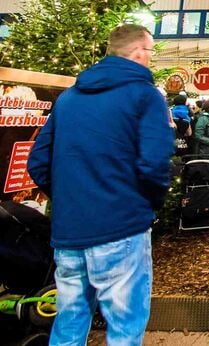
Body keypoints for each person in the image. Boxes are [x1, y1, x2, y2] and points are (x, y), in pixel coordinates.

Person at [27, 24, 172, 344]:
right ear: (138, 52)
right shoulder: (145, 96)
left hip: (70, 231)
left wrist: (70, 198)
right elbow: (155, 163)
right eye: (150, 52)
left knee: (69, 319)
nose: (150, 58)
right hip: (122, 227)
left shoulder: (68, 98)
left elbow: (37, 161)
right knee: (124, 325)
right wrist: (146, 203)